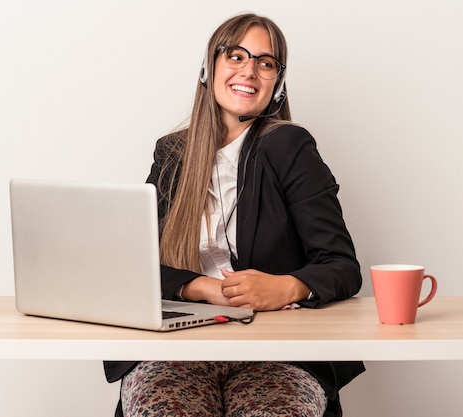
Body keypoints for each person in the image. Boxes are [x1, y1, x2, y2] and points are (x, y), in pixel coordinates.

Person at [104, 12, 364, 417]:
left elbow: (342, 266)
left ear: (277, 82)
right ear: (210, 67)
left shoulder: (288, 147)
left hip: (276, 350)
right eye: (236, 55)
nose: (251, 70)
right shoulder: (173, 154)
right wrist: (199, 288)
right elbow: (135, 267)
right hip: (179, 348)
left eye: (266, 62)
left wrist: (288, 287)